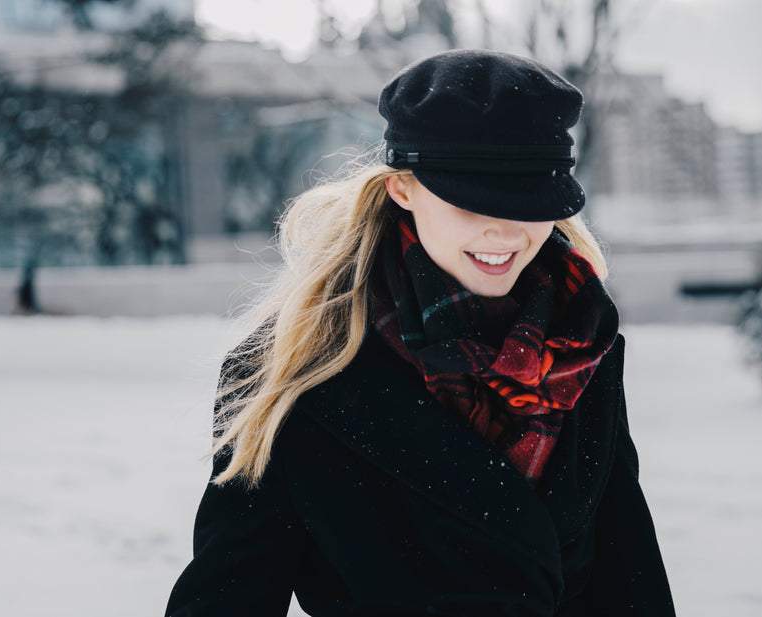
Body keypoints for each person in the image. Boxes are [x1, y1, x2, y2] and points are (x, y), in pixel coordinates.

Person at [164, 48, 676, 617]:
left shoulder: (583, 340)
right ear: (402, 188)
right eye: (471, 202)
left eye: (531, 202)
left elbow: (628, 572)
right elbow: (227, 592)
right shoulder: (290, 367)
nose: (505, 232)